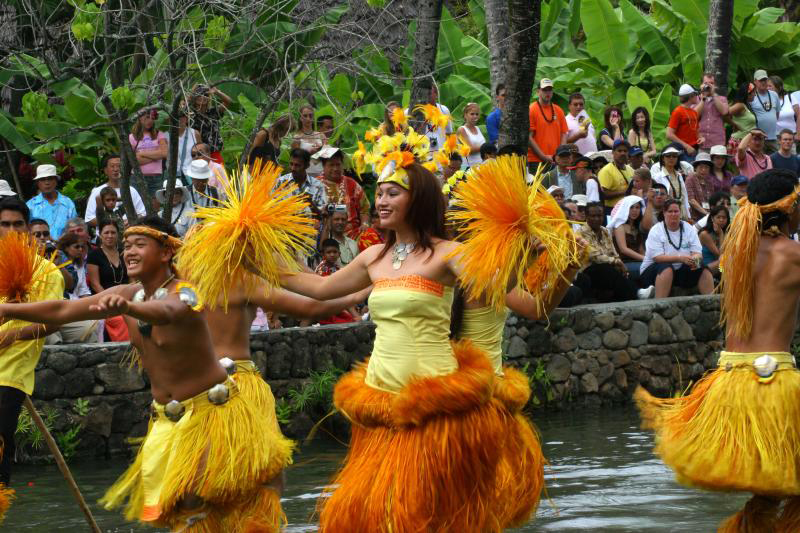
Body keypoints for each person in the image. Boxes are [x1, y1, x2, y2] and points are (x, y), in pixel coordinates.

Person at [0, 216, 282, 531]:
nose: (129, 252)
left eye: (139, 244)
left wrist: (129, 308)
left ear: (165, 253)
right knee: (184, 513)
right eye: (126, 246)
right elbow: (62, 310)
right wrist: (7, 310)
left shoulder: (185, 292)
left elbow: (166, 312)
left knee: (210, 501)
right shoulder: (128, 293)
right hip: (168, 419)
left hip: (213, 415)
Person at [282, 155, 511, 531]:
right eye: (379, 193)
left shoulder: (447, 253)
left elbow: (498, 285)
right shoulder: (375, 256)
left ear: (417, 200)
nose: (382, 201)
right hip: (381, 397)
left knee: (431, 514)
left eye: (393, 193)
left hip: (432, 403)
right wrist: (257, 256)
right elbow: (319, 289)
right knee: (379, 514)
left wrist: (516, 243)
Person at [635, 169, 800, 531]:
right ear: (790, 209)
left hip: (728, 383)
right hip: (774, 384)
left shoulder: (735, 255)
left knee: (770, 493)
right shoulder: (794, 255)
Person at [0, 197, 64, 486]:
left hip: (10, 373)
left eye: (18, 224)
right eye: (4, 224)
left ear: (27, 229)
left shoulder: (46, 270)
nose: (11, 229)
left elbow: (55, 319)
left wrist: (13, 335)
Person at [576, 202, 653, 301]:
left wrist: (617, 262)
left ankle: (635, 295)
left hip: (607, 266)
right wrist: (615, 261)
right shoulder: (580, 233)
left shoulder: (604, 231)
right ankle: (638, 293)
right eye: (593, 216)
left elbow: (613, 251)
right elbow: (593, 255)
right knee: (606, 269)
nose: (596, 219)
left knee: (619, 271)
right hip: (588, 269)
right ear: (586, 216)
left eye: (599, 216)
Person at [639, 198, 714, 298]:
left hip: (681, 269)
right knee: (666, 268)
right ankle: (659, 305)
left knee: (701, 266)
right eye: (670, 211)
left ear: (680, 212)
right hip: (654, 270)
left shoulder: (688, 228)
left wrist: (695, 258)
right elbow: (657, 258)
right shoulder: (656, 230)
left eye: (676, 211)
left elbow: (698, 253)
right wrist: (680, 258)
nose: (673, 214)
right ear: (664, 213)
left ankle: (710, 302)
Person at [86, 221, 129, 341]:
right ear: (100, 235)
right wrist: (111, 301)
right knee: (121, 320)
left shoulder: (124, 253)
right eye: (106, 233)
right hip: (104, 299)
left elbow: (131, 279)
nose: (110, 236)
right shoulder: (94, 255)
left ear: (118, 235)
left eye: (113, 233)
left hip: (126, 297)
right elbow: (95, 284)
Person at [315, 147, 369, 240]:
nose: (335, 168)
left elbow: (365, 209)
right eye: (331, 165)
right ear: (323, 166)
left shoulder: (352, 184)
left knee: (370, 236)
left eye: (338, 164)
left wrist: (365, 224)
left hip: (352, 234)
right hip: (323, 234)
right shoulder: (314, 185)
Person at [85, 154, 147, 228]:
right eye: (112, 166)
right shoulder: (97, 192)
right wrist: (113, 224)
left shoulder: (132, 191)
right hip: (106, 236)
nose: (116, 169)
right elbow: (89, 219)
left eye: (119, 166)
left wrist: (133, 221)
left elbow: (143, 213)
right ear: (105, 170)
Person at [25, 164, 77, 240]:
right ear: (37, 183)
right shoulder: (30, 205)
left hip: (63, 247)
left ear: (56, 181)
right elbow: (26, 231)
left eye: (50, 179)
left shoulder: (67, 203)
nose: (47, 183)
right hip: (38, 249)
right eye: (43, 179)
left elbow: (74, 228)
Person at [129, 108, 168, 205]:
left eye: (152, 118)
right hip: (137, 177)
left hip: (156, 177)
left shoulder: (159, 134)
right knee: (138, 206)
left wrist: (141, 154)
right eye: (146, 118)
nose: (150, 121)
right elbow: (134, 160)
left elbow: (164, 153)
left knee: (155, 206)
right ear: (140, 118)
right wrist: (156, 155)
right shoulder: (132, 136)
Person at [528, 78, 568, 172]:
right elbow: (529, 137)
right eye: (544, 90)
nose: (547, 93)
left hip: (555, 161)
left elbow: (564, 134)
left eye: (549, 90)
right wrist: (543, 156)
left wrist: (560, 154)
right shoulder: (532, 109)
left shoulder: (558, 110)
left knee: (556, 187)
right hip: (536, 161)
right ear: (538, 92)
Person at [275, 148, 327, 216]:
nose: (293, 168)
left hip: (309, 225)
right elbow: (272, 208)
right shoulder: (280, 182)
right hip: (285, 224)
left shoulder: (318, 185)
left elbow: (322, 215)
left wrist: (310, 203)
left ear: (307, 166)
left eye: (297, 165)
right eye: (291, 164)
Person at [188, 84, 231, 163]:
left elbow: (228, 102)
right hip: (198, 154)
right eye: (199, 95)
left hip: (214, 152)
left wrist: (217, 92)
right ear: (195, 97)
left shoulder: (213, 112)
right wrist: (191, 94)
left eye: (206, 95)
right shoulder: (189, 114)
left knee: (219, 174)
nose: (203, 97)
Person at [30, 218, 75, 292]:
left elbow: (70, 286)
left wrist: (59, 266)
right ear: (29, 237)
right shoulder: (24, 256)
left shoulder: (59, 254)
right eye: (37, 235)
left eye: (45, 234)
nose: (42, 237)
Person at [609, 195, 647, 278]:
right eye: (631, 207)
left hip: (637, 261)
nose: (635, 210)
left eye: (637, 207)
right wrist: (645, 259)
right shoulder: (619, 226)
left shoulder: (637, 227)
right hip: (623, 263)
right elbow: (623, 249)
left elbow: (641, 250)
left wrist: (648, 259)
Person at [651, 146, 692, 221]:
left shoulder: (679, 175)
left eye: (674, 156)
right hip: (667, 213)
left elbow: (684, 196)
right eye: (668, 156)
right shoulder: (657, 177)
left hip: (682, 212)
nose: (671, 158)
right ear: (663, 158)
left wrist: (688, 215)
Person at [666, 84, 703, 159]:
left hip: (693, 150)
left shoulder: (694, 112)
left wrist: (701, 138)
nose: (697, 96)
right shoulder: (678, 111)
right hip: (682, 151)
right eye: (695, 94)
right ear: (691, 96)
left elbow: (697, 131)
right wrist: (686, 146)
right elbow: (669, 134)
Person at [597, 139, 634, 213]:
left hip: (627, 209)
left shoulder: (630, 170)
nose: (623, 153)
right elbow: (603, 194)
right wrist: (625, 192)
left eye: (625, 151)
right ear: (613, 153)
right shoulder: (606, 170)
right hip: (611, 210)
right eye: (619, 151)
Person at [695, 72, 729, 151]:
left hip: (717, 142)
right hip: (701, 142)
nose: (709, 86)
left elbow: (724, 112)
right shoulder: (696, 99)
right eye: (706, 83)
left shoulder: (722, 99)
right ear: (701, 85)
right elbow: (693, 115)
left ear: (715, 85)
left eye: (711, 83)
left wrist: (713, 95)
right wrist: (703, 99)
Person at [750, 69, 781, 151]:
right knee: (759, 161)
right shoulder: (751, 96)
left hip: (773, 137)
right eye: (761, 80)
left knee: (776, 161)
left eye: (765, 80)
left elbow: (777, 114)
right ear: (755, 81)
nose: (763, 82)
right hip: (757, 138)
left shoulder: (774, 94)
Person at [291, 105, 326, 176]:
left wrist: (319, 151)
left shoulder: (321, 135)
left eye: (310, 116)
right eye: (305, 116)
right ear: (301, 118)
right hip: (305, 173)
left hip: (321, 172)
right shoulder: (297, 137)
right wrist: (308, 153)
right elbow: (295, 158)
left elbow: (327, 155)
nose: (308, 118)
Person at [769, 75, 800, 150]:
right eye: (766, 86)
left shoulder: (789, 98)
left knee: (790, 158)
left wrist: (798, 134)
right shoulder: (765, 100)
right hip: (774, 138)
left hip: (791, 136)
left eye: (770, 86)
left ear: (778, 87)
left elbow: (799, 115)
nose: (767, 88)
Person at [698, 204, 729, 277]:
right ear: (712, 218)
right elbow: (719, 254)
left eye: (724, 217)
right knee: (724, 259)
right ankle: (723, 279)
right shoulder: (705, 234)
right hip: (706, 268)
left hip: (719, 267)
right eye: (718, 217)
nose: (721, 220)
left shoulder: (728, 232)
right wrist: (721, 234)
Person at [727, 82, 758, 153]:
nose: (755, 95)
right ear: (748, 93)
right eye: (754, 93)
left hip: (746, 141)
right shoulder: (740, 105)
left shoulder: (746, 105)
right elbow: (724, 114)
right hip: (739, 141)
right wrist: (733, 124)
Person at [174, 107, 201, 186]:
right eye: (177, 117)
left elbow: (201, 153)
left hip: (192, 173)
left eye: (183, 116)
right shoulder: (167, 135)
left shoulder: (194, 133)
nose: (181, 119)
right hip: (174, 174)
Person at [685, 152, 716, 221]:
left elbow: (712, 199)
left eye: (706, 167)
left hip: (708, 215)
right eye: (701, 167)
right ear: (695, 168)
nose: (703, 170)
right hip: (694, 217)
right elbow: (691, 200)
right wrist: (706, 213)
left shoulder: (709, 180)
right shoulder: (690, 179)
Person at [457, 102, 486, 168]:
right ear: (465, 115)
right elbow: (469, 149)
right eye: (472, 114)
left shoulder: (478, 128)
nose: (475, 116)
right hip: (467, 166)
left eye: (477, 114)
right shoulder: (462, 130)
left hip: (481, 165)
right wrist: (486, 147)